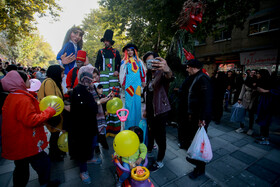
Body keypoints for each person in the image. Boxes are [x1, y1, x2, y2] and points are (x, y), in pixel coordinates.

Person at [1, 70, 60, 187]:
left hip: (18, 141)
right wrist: (50, 111)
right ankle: (45, 183)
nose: (30, 81)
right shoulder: (22, 99)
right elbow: (31, 120)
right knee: (43, 163)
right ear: (20, 82)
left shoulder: (11, 97)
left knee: (21, 168)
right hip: (27, 141)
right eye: (27, 79)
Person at [178, 59, 212, 179]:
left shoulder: (203, 79)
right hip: (193, 116)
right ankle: (195, 158)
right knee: (193, 139)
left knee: (200, 143)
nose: (186, 69)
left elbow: (206, 100)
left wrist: (202, 118)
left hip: (200, 117)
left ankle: (200, 168)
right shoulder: (194, 77)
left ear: (193, 67)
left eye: (188, 67)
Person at [68, 66, 102, 184]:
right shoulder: (78, 90)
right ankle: (83, 171)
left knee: (92, 142)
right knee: (83, 148)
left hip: (90, 123)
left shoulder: (89, 88)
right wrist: (98, 103)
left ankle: (90, 158)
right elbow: (84, 108)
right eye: (91, 76)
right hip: (81, 127)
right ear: (84, 76)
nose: (93, 78)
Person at [143, 51, 173, 172]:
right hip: (150, 110)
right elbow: (148, 94)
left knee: (161, 137)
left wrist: (166, 68)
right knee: (151, 132)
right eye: (148, 62)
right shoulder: (149, 74)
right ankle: (149, 150)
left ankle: (160, 161)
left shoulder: (162, 73)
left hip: (161, 110)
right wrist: (145, 108)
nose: (151, 64)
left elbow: (170, 76)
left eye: (152, 61)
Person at [37, 65, 66, 162]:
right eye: (61, 73)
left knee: (56, 134)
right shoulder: (49, 82)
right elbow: (52, 99)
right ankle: (53, 154)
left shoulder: (54, 82)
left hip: (56, 113)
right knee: (54, 135)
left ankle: (57, 152)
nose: (63, 76)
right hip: (53, 113)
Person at [95, 29, 122, 137]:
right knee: (105, 99)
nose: (105, 42)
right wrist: (97, 75)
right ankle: (104, 130)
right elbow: (97, 65)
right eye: (104, 41)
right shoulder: (100, 52)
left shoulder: (116, 52)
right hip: (104, 77)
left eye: (107, 41)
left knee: (114, 98)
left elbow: (119, 64)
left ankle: (114, 129)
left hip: (114, 78)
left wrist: (117, 70)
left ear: (110, 41)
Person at [119, 43, 146, 130]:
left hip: (137, 85)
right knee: (129, 104)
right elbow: (122, 74)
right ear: (126, 52)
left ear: (134, 51)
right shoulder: (124, 62)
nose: (130, 52)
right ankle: (129, 126)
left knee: (137, 103)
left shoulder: (139, 61)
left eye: (132, 50)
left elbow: (142, 72)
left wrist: (143, 82)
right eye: (128, 50)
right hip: (129, 86)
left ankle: (137, 126)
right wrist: (122, 84)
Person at [255, 69, 280, 145]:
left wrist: (266, 91)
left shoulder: (272, 81)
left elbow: (277, 91)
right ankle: (262, 136)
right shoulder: (262, 81)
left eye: (259, 74)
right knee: (262, 119)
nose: (257, 75)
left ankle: (266, 138)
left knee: (265, 121)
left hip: (268, 104)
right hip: (262, 103)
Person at [57, 26, 84, 93]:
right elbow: (58, 56)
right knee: (68, 90)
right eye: (75, 33)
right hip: (67, 72)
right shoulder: (68, 45)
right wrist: (62, 62)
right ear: (70, 34)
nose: (77, 36)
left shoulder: (78, 48)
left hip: (75, 73)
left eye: (80, 35)